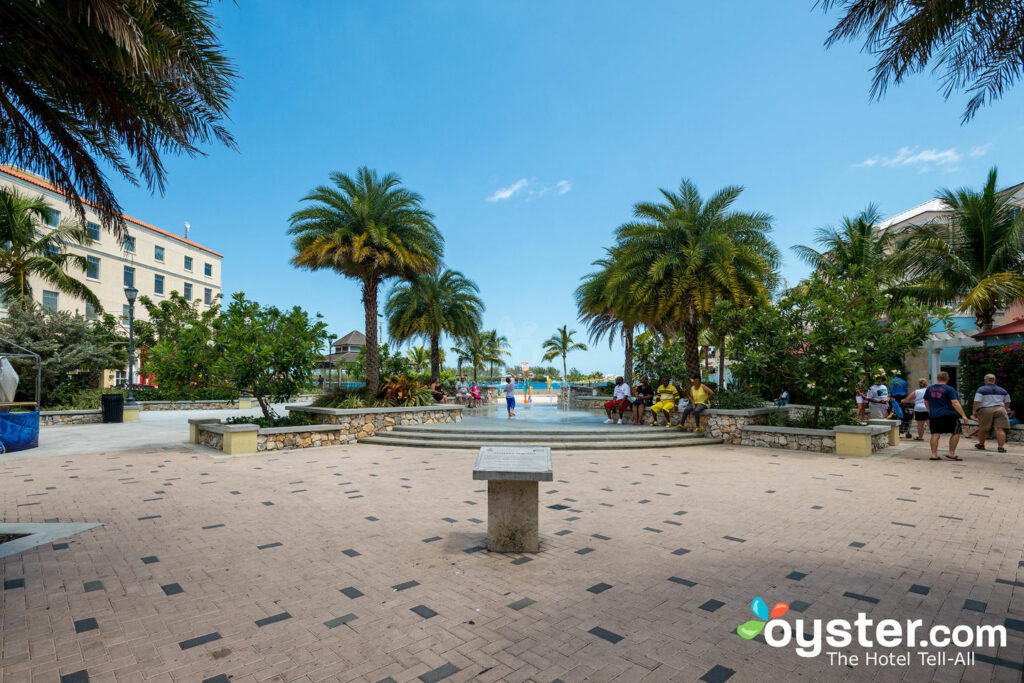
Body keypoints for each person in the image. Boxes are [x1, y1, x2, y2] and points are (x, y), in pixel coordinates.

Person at [924, 371, 969, 461]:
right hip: (947, 414)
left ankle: (934, 454)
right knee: (956, 431)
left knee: (935, 434)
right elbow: (955, 402)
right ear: (948, 379)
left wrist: (930, 411)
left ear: (937, 378)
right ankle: (951, 453)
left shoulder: (930, 388)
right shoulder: (949, 389)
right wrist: (963, 415)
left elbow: (926, 401)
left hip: (934, 415)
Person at [971, 373, 1012, 453]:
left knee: (983, 428)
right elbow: (1008, 401)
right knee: (1000, 428)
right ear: (994, 380)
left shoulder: (981, 389)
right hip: (1000, 409)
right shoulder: (1002, 390)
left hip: (986, 409)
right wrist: (1005, 410)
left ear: (985, 380)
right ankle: (1001, 447)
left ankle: (981, 444)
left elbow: (977, 401)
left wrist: (974, 411)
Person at [889, 372, 911, 437]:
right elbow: (906, 391)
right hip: (902, 399)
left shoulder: (891, 382)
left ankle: (894, 429)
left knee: (892, 413)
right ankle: (902, 426)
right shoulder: (903, 382)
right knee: (901, 412)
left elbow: (889, 391)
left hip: (893, 398)